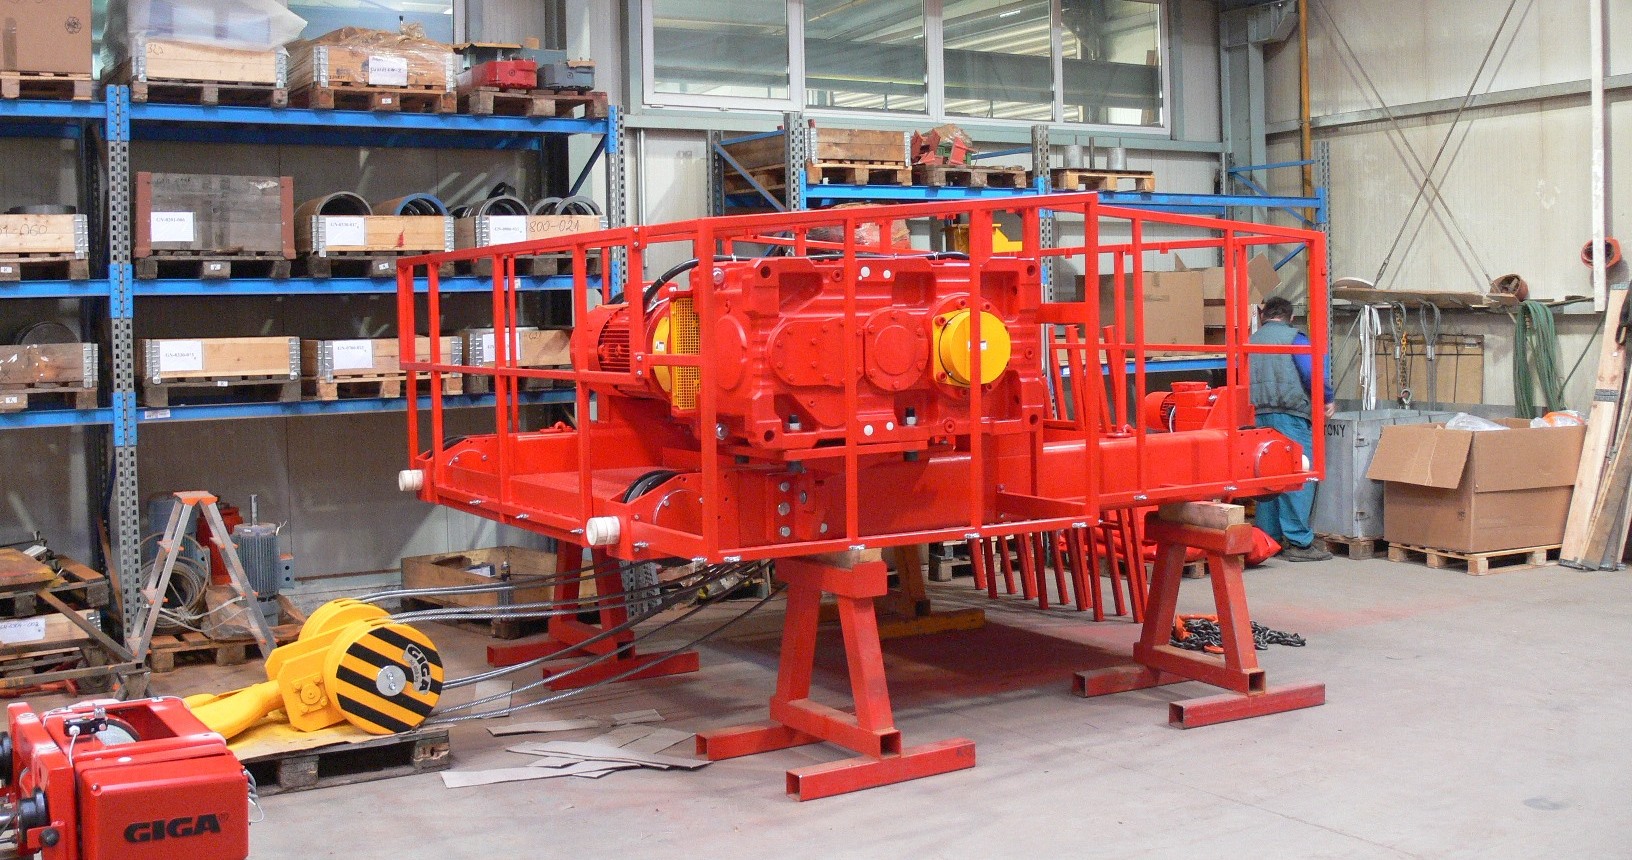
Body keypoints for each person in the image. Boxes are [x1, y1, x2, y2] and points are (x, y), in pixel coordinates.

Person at [1249, 296, 1334, 562]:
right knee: (1298, 475)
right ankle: (1298, 541)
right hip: (1290, 415)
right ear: (1291, 318)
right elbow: (1312, 373)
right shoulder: (1295, 339)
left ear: (1262, 315)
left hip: (1257, 416)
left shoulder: (1251, 341)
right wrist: (1327, 399)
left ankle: (1267, 538)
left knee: (1265, 477)